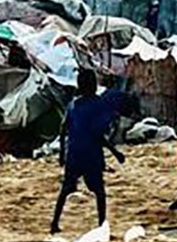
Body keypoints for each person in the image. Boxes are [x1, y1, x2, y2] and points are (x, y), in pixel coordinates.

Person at [49, 72, 126, 234]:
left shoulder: (73, 105)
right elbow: (98, 133)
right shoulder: (99, 105)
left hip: (74, 153)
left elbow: (63, 130)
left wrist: (62, 154)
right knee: (99, 192)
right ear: (93, 85)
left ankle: (54, 223)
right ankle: (101, 224)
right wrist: (115, 152)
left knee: (66, 189)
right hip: (91, 154)